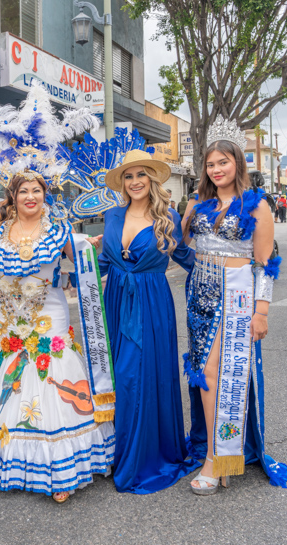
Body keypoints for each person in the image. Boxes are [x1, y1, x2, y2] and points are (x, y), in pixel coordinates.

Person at [0, 174, 114, 503]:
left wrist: (88, 250)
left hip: (49, 311)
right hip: (7, 310)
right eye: (24, 191)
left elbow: (80, 264)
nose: (31, 196)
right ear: (14, 195)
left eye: (37, 190)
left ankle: (59, 469)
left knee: (51, 373)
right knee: (8, 371)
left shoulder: (58, 229)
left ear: (45, 195)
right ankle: (7, 461)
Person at [181, 116, 287, 495]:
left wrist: (261, 311)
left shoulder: (257, 205)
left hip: (237, 296)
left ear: (238, 162)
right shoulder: (198, 203)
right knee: (204, 377)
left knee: (221, 374)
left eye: (222, 162)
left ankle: (218, 458)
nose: (216, 170)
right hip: (199, 296)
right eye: (210, 165)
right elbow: (182, 245)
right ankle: (218, 453)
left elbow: (266, 263)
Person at [96, 149, 200, 494]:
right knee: (116, 375)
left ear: (152, 179)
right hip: (115, 303)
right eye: (128, 176)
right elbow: (105, 264)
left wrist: (232, 275)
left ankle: (142, 459)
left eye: (141, 175)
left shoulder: (168, 215)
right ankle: (117, 451)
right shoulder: (112, 216)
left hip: (152, 305)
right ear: (122, 183)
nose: (135, 181)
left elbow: (188, 258)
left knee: (136, 376)